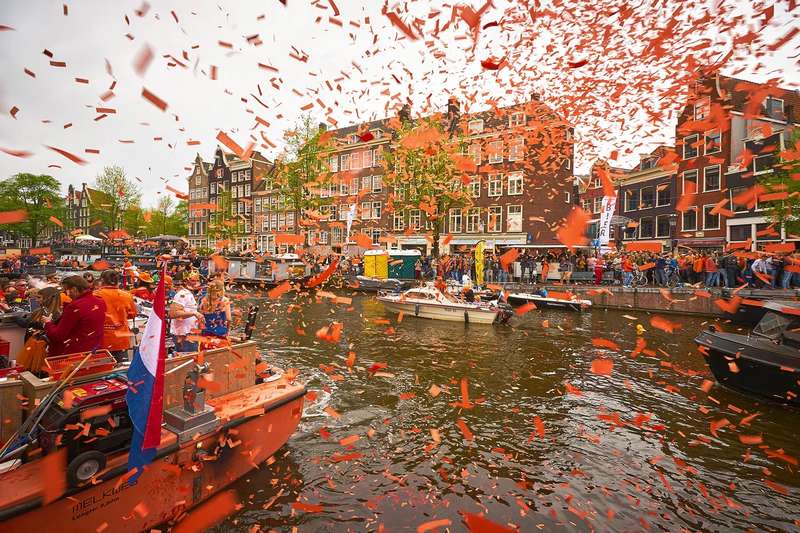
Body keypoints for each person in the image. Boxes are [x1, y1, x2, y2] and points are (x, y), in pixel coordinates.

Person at [43, 275, 106, 357]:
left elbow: (58, 336)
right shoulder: (100, 301)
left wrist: (48, 323)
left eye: (66, 291)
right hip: (96, 352)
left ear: (74, 289)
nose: (66, 295)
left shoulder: (74, 307)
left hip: (75, 355)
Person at [95, 270, 138, 363]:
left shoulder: (96, 295)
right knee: (120, 372)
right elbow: (133, 314)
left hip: (103, 340)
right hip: (121, 339)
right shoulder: (127, 295)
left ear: (102, 280)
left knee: (103, 373)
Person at [169, 278, 203, 353]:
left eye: (197, 280)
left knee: (189, 360)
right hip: (184, 334)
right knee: (187, 360)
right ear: (186, 282)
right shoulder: (183, 294)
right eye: (193, 280)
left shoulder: (189, 294)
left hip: (189, 333)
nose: (197, 283)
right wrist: (194, 313)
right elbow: (173, 313)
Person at [198, 280, 232, 348]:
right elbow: (229, 319)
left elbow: (200, 320)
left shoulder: (203, 300)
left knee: (206, 356)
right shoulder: (224, 300)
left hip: (206, 335)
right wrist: (227, 332)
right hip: (220, 335)